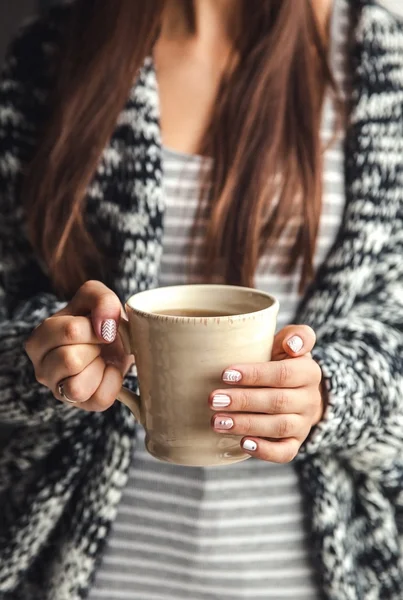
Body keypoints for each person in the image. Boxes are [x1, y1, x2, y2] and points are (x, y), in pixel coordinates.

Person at [0, 0, 402, 598]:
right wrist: (51, 356)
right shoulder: (51, 53)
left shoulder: (379, 60)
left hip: (305, 576)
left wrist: (329, 392)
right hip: (90, 576)